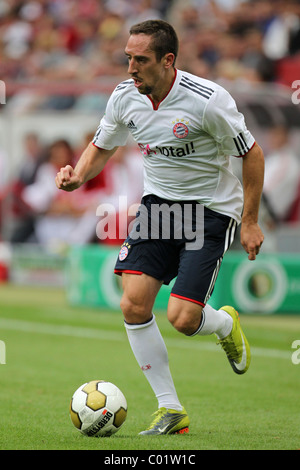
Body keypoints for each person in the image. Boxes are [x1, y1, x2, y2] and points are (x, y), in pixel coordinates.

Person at [55, 20, 265, 435]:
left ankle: (223, 323)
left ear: (168, 61)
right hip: (158, 207)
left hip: (209, 211)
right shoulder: (124, 97)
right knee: (133, 304)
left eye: (141, 60)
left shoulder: (208, 101)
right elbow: (102, 145)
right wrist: (78, 176)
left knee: (184, 319)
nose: (131, 68)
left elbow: (252, 154)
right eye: (128, 58)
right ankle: (171, 410)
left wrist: (251, 221)